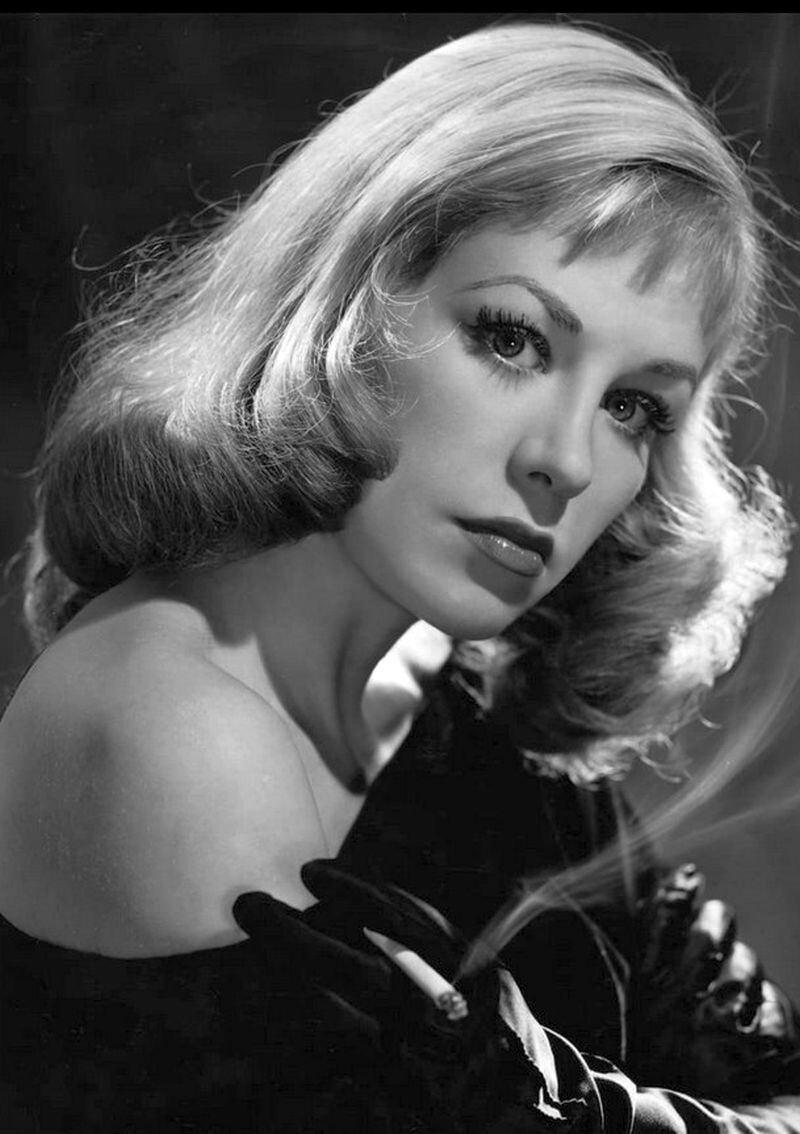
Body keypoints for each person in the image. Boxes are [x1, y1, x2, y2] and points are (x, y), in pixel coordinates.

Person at [1, 16, 798, 1132]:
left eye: (633, 407)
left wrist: (571, 1111)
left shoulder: (449, 682)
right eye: (512, 339)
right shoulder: (169, 728)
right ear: (344, 306)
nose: (567, 462)